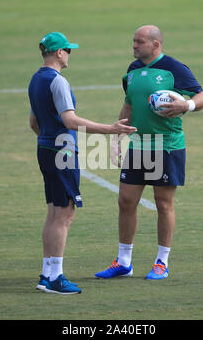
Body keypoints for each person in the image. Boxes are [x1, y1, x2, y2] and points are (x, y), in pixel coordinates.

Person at [95, 25, 203, 280]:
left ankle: (161, 262)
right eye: (133, 41)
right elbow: (128, 104)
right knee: (125, 201)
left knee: (163, 203)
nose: (134, 45)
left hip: (166, 146)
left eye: (139, 42)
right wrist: (117, 136)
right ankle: (124, 262)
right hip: (139, 145)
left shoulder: (175, 69)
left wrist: (186, 104)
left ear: (155, 44)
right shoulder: (133, 70)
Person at [28, 31, 137, 294]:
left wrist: (48, 140)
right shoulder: (58, 82)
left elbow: (34, 122)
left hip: (45, 148)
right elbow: (70, 121)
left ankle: (47, 273)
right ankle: (55, 277)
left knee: (54, 212)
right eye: (68, 50)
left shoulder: (35, 80)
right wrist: (110, 130)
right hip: (61, 153)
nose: (69, 55)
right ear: (59, 53)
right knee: (65, 214)